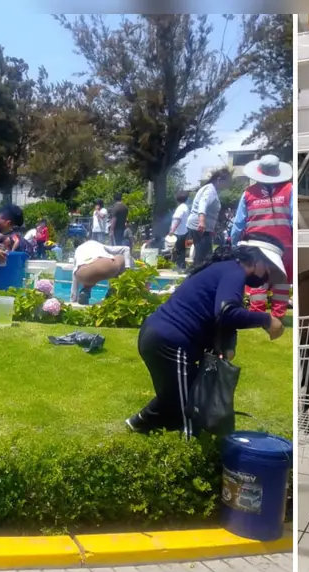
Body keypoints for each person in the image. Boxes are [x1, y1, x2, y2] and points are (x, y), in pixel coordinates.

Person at [126, 233, 287, 437]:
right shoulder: (234, 273)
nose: (267, 276)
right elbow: (227, 312)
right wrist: (267, 320)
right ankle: (189, 452)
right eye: (268, 268)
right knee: (190, 413)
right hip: (171, 342)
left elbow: (217, 314)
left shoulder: (227, 269)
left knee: (181, 392)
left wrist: (226, 345)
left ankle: (136, 423)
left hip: (158, 335)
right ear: (256, 260)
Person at [230, 154, 294, 319]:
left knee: (258, 278)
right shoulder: (289, 190)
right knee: (281, 279)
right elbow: (294, 220)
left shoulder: (248, 193)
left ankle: (257, 314)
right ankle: (278, 315)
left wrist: (235, 245)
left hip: (256, 245)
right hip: (283, 245)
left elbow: (238, 223)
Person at [186, 167, 230, 267]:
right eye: (226, 182)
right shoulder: (210, 190)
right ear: (219, 180)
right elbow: (203, 202)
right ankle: (196, 277)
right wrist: (201, 221)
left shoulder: (210, 189)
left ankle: (197, 276)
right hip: (199, 226)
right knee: (204, 256)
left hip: (203, 227)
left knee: (204, 255)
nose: (227, 185)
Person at [70, 240, 133, 305]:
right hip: (102, 266)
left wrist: (73, 299)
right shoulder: (95, 243)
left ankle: (85, 291)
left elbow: (74, 277)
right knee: (120, 257)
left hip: (82, 274)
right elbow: (126, 249)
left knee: (90, 276)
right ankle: (112, 292)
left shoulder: (78, 251)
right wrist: (128, 268)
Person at [168, 191, 191, 271]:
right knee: (182, 249)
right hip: (184, 230)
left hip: (179, 232)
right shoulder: (185, 207)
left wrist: (172, 230)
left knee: (179, 249)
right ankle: (182, 265)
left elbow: (177, 219)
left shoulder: (180, 208)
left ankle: (179, 266)